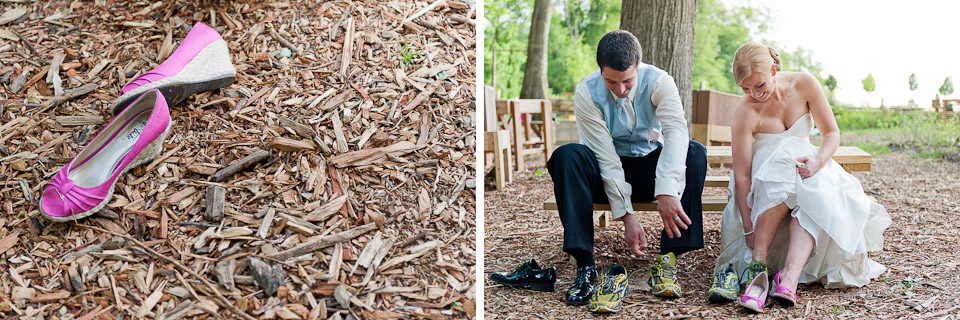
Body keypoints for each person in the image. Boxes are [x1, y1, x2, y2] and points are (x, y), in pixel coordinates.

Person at [706, 41, 892, 313]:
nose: (754, 94)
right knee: (783, 165)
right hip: (762, 177)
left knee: (817, 186)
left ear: (773, 69)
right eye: (745, 89)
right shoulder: (745, 112)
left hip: (806, 166)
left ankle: (789, 277)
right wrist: (748, 226)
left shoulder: (805, 83)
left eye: (759, 85)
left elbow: (831, 133)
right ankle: (759, 261)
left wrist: (817, 162)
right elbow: (742, 174)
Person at [545, 30, 707, 309]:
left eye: (627, 81)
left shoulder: (660, 82)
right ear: (600, 70)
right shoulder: (587, 91)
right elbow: (605, 157)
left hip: (649, 169)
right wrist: (628, 217)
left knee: (695, 151)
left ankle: (668, 259)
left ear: (638, 66)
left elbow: (676, 134)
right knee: (567, 155)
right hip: (604, 171)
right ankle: (585, 265)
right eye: (611, 82)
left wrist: (668, 190)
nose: (620, 90)